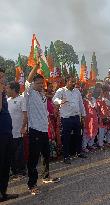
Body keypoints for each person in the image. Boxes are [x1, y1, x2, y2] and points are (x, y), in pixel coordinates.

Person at [25, 64, 60, 195]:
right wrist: (36, 67)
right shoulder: (29, 93)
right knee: (34, 158)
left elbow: (45, 112)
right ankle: (31, 184)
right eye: (38, 83)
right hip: (34, 130)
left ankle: (46, 177)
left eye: (42, 83)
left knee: (46, 155)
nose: (40, 85)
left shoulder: (43, 96)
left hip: (44, 129)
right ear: (33, 84)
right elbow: (28, 80)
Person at [53, 75, 87, 164]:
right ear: (67, 81)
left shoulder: (77, 91)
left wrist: (83, 116)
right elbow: (54, 99)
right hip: (66, 118)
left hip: (76, 117)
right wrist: (61, 101)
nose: (74, 83)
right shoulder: (61, 90)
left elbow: (81, 104)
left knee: (79, 135)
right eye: (72, 81)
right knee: (66, 137)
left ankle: (79, 152)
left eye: (74, 82)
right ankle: (66, 156)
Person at [0, 67, 19, 202]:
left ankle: (3, 192)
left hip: (7, 133)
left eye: (2, 77)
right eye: (0, 77)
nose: (2, 80)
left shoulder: (2, 94)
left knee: (6, 164)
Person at [6, 82, 28, 178]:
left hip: (19, 131)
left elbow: (25, 115)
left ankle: (22, 170)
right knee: (10, 153)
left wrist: (23, 127)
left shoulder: (21, 99)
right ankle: (14, 171)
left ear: (13, 90)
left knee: (19, 153)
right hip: (9, 132)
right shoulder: (7, 100)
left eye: (8, 89)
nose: (6, 90)